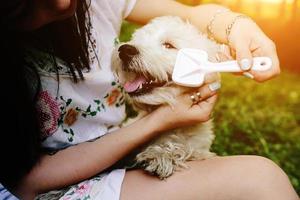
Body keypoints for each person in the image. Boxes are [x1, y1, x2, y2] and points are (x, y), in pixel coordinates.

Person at [0, 0, 298, 199]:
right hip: (48, 189)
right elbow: (26, 183)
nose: (63, 3)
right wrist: (158, 121)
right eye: (25, 7)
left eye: (167, 45)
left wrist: (236, 24)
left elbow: (192, 15)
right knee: (262, 179)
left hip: (115, 154)